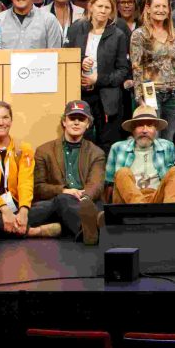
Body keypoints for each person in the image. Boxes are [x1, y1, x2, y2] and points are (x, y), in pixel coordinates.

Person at [0, 101, 63, 241]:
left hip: (14, 205)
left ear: (11, 120)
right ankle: (33, 231)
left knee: (51, 205)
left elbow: (26, 182)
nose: (1, 123)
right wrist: (4, 209)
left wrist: (24, 210)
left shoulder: (23, 148)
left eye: (5, 117)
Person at [32, 100, 107, 243]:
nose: (76, 122)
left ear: (88, 124)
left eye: (81, 119)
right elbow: (38, 187)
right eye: (72, 118)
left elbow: (96, 184)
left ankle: (84, 230)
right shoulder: (44, 151)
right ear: (64, 122)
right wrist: (64, 191)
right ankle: (88, 229)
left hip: (86, 201)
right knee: (62, 200)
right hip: (55, 202)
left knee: (97, 207)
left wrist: (83, 198)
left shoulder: (97, 153)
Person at [68, 0, 130, 148]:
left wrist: (98, 79)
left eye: (107, 7)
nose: (103, 11)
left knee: (107, 143)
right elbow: (65, 58)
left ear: (112, 11)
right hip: (80, 94)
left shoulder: (118, 35)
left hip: (107, 98)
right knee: (83, 142)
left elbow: (123, 70)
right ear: (90, 6)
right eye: (99, 6)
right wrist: (81, 61)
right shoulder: (76, 28)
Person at [129, 0, 175, 140]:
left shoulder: (174, 34)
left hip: (173, 94)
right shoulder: (139, 34)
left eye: (164, 6)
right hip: (151, 93)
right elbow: (137, 68)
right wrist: (139, 98)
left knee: (169, 138)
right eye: (157, 6)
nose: (161, 10)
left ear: (169, 10)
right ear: (148, 8)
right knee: (153, 137)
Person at [107, 105, 175, 204]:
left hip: (157, 198)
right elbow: (110, 185)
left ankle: (169, 212)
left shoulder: (167, 146)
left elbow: (171, 183)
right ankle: (142, 210)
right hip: (128, 202)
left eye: (149, 125)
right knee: (122, 172)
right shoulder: (117, 148)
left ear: (155, 129)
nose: (145, 130)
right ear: (133, 129)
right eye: (140, 125)